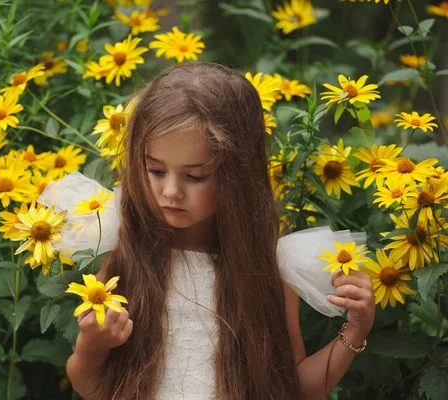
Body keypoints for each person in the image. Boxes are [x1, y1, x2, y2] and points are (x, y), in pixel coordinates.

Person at [55, 62, 375, 399]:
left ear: (237, 176)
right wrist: (92, 346)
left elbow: (294, 391)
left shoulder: (267, 271)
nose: (171, 191)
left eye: (194, 176)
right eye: (155, 170)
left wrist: (355, 331)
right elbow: (92, 387)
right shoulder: (131, 255)